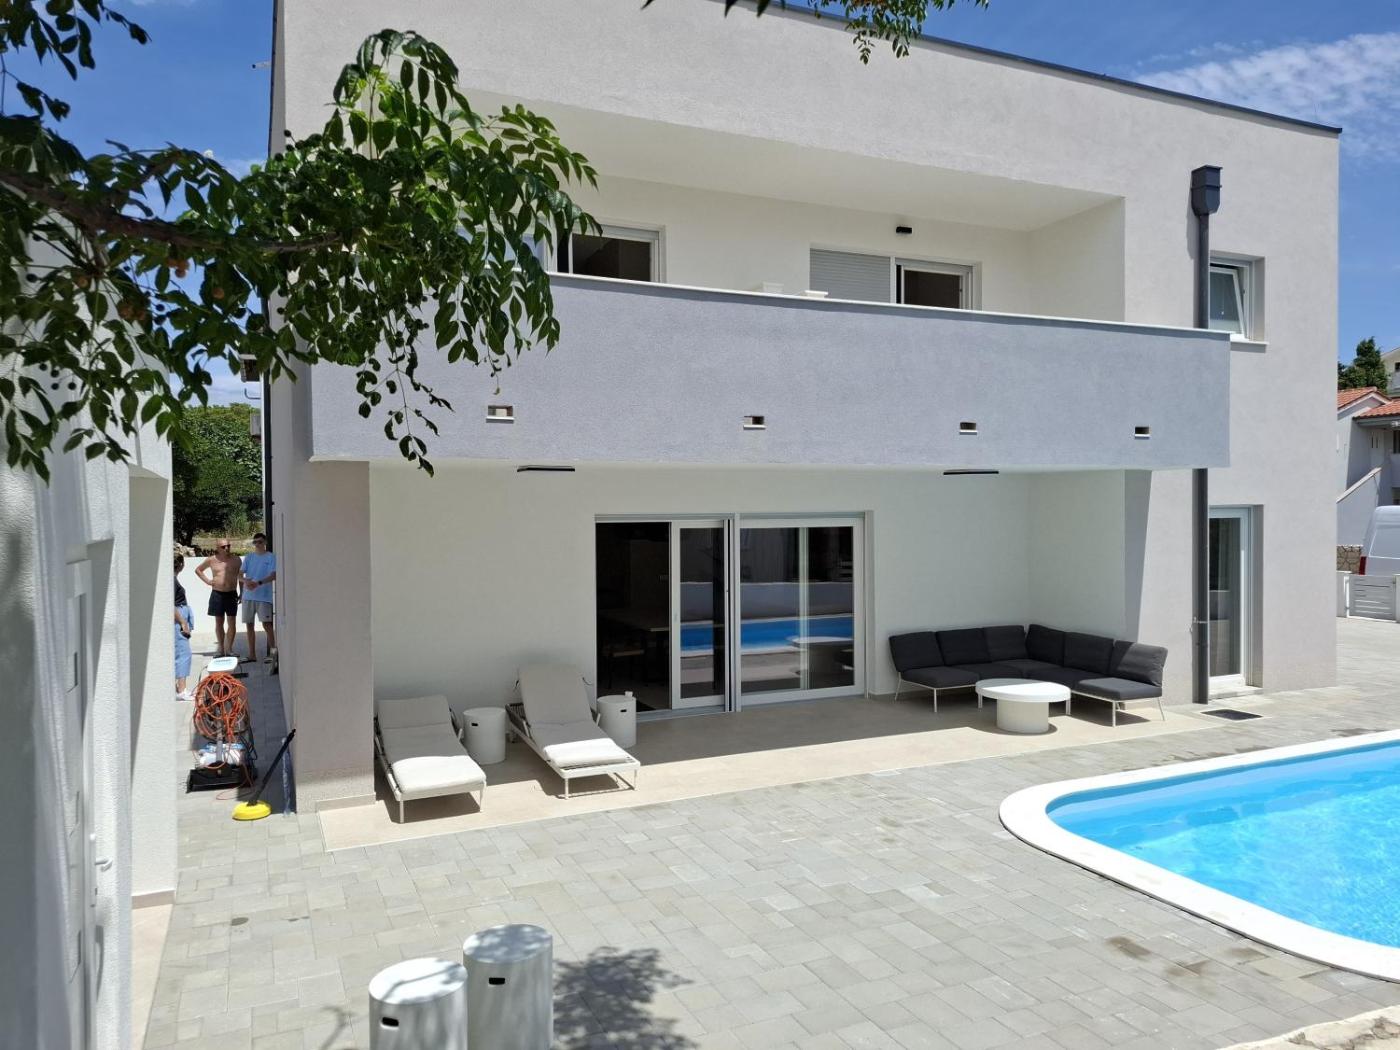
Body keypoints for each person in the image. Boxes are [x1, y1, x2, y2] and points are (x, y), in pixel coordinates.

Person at [196, 538, 241, 658]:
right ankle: (221, 649)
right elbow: (198, 570)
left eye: (228, 546)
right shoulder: (212, 560)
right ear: (218, 548)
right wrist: (208, 581)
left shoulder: (236, 560)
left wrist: (242, 592)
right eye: (223, 547)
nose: (226, 548)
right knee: (219, 621)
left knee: (232, 622)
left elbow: (240, 577)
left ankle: (229, 649)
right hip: (217, 593)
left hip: (231, 593)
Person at [239, 532, 278, 663]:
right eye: (255, 542)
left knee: (267, 625)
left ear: (265, 542)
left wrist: (259, 583)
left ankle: (273, 654)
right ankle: (252, 655)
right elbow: (239, 574)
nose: (257, 544)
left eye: (260, 542)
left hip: (264, 597)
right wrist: (246, 581)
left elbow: (274, 575)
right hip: (248, 596)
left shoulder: (271, 557)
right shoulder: (249, 557)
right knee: (249, 625)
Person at [174, 555, 194, 700]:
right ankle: (181, 690)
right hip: (178, 619)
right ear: (181, 564)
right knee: (184, 653)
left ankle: (179, 687)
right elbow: (171, 604)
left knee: (180, 652)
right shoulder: (171, 580)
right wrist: (183, 622)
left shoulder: (172, 579)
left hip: (180, 616)